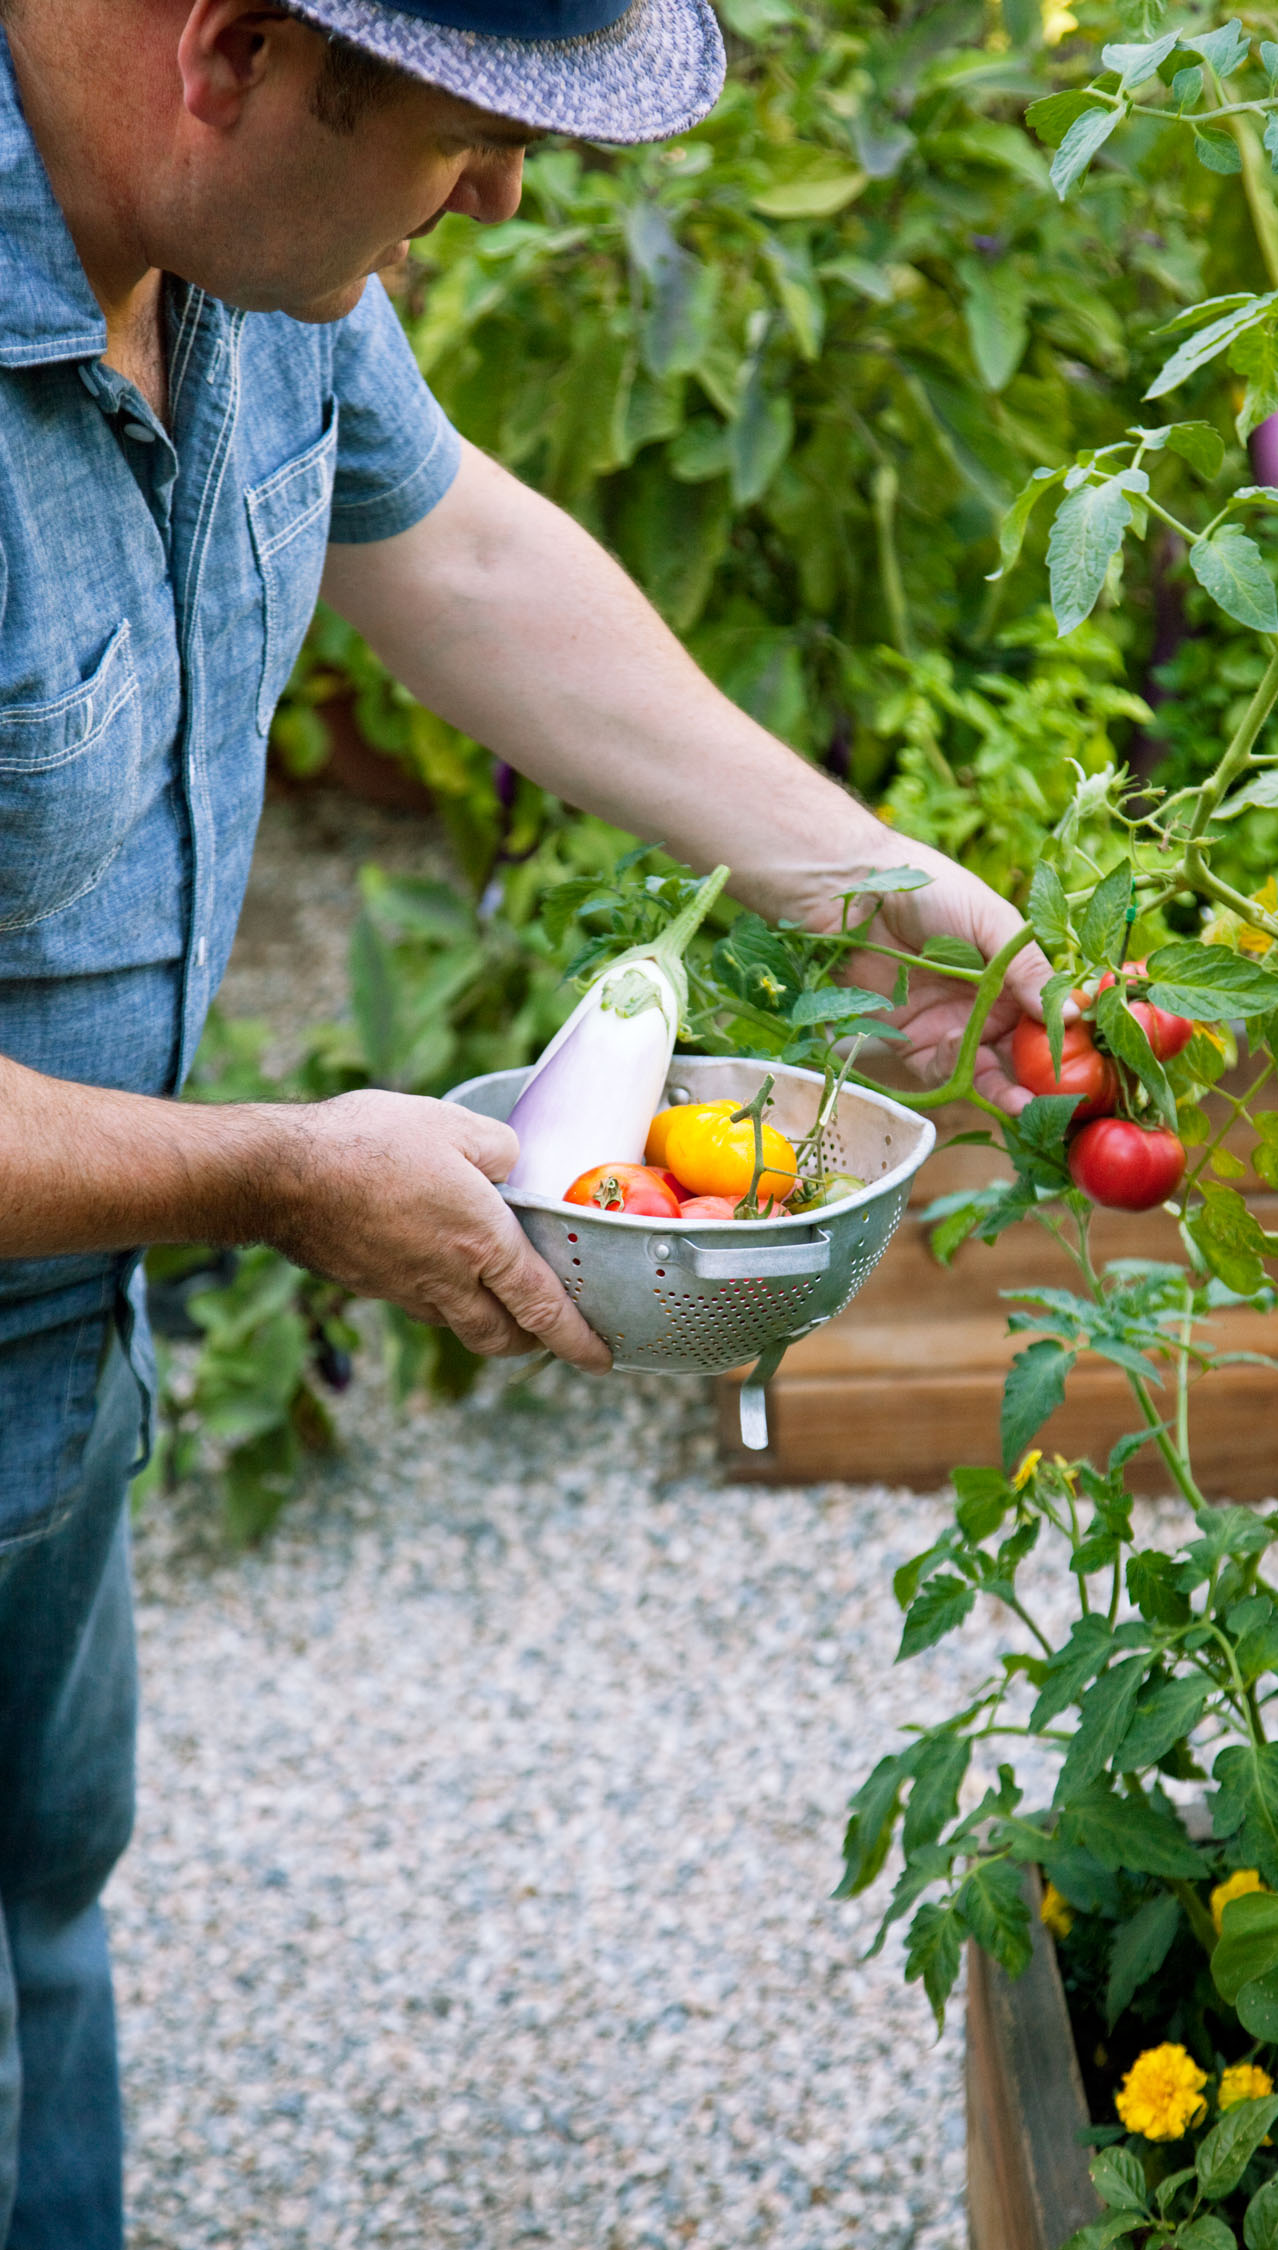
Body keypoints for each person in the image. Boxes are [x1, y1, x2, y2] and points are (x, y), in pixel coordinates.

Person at [0, 1, 1052, 2240]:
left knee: (41, 1911)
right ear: (234, 56)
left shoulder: (238, 252)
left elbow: (453, 548)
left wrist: (863, 881)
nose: (497, 193)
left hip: (51, 1371)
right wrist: (273, 1171)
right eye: (470, 135)